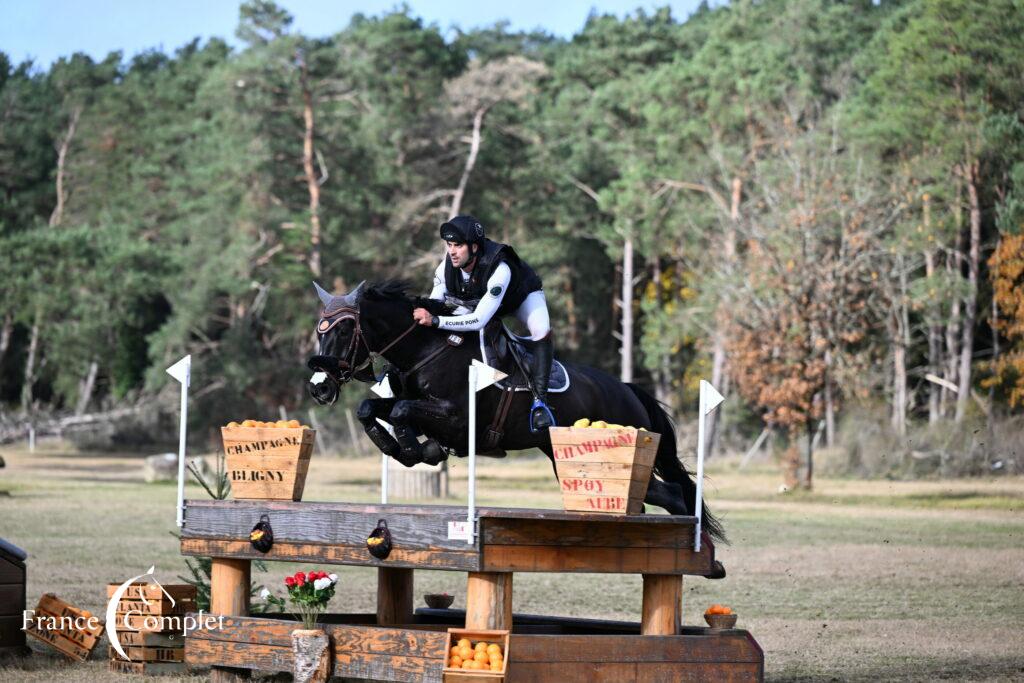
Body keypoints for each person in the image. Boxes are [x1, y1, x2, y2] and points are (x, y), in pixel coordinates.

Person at [412, 215, 555, 431]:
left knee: (542, 330)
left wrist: (436, 321)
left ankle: (540, 403)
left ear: (475, 247)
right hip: (480, 302)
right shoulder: (445, 269)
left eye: (458, 246)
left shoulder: (500, 268)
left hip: (519, 299)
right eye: (449, 245)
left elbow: (478, 320)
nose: (451, 251)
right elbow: (434, 305)